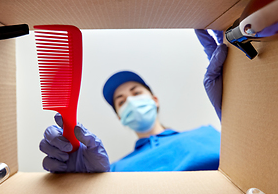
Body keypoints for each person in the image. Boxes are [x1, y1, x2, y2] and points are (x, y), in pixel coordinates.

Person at [39, 29, 228, 173]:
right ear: (120, 117)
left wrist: (232, 117)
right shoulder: (113, 170)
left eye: (136, 93)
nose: (130, 101)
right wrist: (82, 185)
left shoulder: (209, 134)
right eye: (121, 102)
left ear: (155, 100)